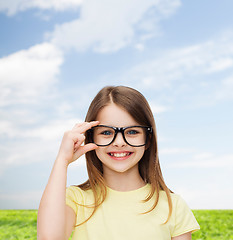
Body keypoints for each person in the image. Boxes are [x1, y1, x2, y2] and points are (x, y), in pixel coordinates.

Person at [37, 86, 200, 240]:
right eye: (107, 132)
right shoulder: (75, 199)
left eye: (132, 132)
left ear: (148, 140)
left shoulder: (173, 205)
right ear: (91, 137)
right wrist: (62, 161)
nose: (119, 142)